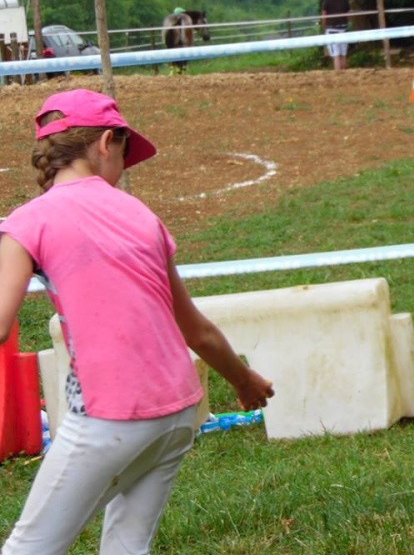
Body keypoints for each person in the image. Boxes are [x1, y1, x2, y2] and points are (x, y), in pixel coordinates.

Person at [0, 89, 275, 554]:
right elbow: (198, 331)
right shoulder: (143, 216)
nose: (124, 169)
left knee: (29, 548)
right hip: (179, 411)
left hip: (109, 418)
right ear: (107, 143)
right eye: (126, 156)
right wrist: (244, 380)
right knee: (127, 546)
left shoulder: (27, 222)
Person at [321, 0, 351, 71]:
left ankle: (338, 74)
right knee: (343, 54)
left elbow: (324, 15)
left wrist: (324, 27)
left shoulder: (327, 0)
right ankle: (345, 74)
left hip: (332, 29)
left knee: (336, 55)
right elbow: (348, 14)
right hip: (343, 29)